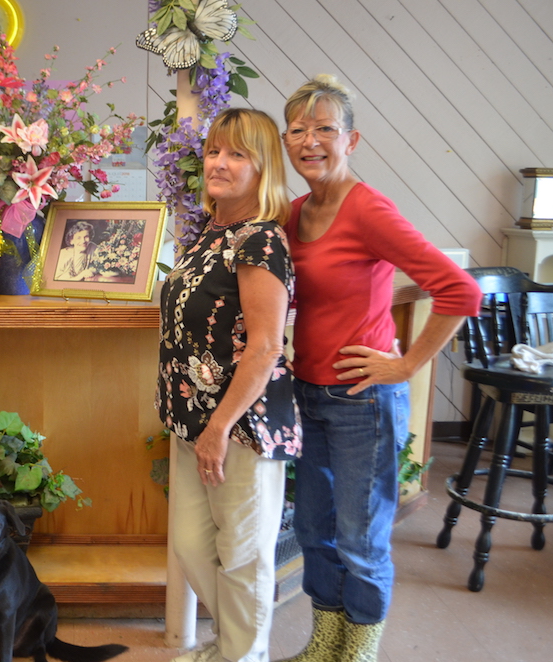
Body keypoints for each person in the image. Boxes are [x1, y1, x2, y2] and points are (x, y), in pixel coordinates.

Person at [275, 75, 481, 662]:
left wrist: (408, 363)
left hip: (360, 401)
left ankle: (358, 652)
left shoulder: (367, 209)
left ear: (351, 139)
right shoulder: (295, 213)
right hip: (309, 395)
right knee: (314, 533)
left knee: (361, 541)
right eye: (298, 130)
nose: (310, 140)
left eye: (324, 129)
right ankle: (327, 645)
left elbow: (460, 291)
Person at [158, 108, 302, 662]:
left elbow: (266, 346)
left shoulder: (260, 240)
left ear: (263, 169)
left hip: (241, 425)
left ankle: (240, 655)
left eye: (238, 154)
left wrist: (219, 426)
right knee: (195, 546)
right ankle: (240, 648)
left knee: (243, 556)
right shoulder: (209, 232)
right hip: (194, 420)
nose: (220, 162)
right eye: (215, 150)